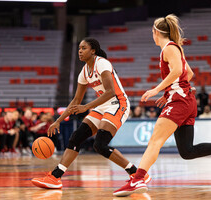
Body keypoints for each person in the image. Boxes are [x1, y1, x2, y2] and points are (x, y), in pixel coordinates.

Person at [114, 14, 211, 197]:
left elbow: (178, 71)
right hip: (185, 100)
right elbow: (189, 74)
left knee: (155, 141)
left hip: (180, 102)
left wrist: (157, 89)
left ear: (156, 32)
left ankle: (137, 179)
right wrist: (169, 91)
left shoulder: (169, 48)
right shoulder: (175, 49)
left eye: (152, 33)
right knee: (187, 151)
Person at [31, 37, 151, 189]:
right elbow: (75, 101)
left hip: (118, 103)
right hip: (102, 106)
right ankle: (55, 177)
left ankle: (137, 174)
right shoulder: (84, 72)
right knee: (76, 138)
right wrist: (58, 120)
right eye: (79, 48)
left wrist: (85, 106)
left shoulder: (102, 63)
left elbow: (110, 92)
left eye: (84, 48)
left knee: (100, 145)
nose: (80, 51)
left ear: (93, 50)